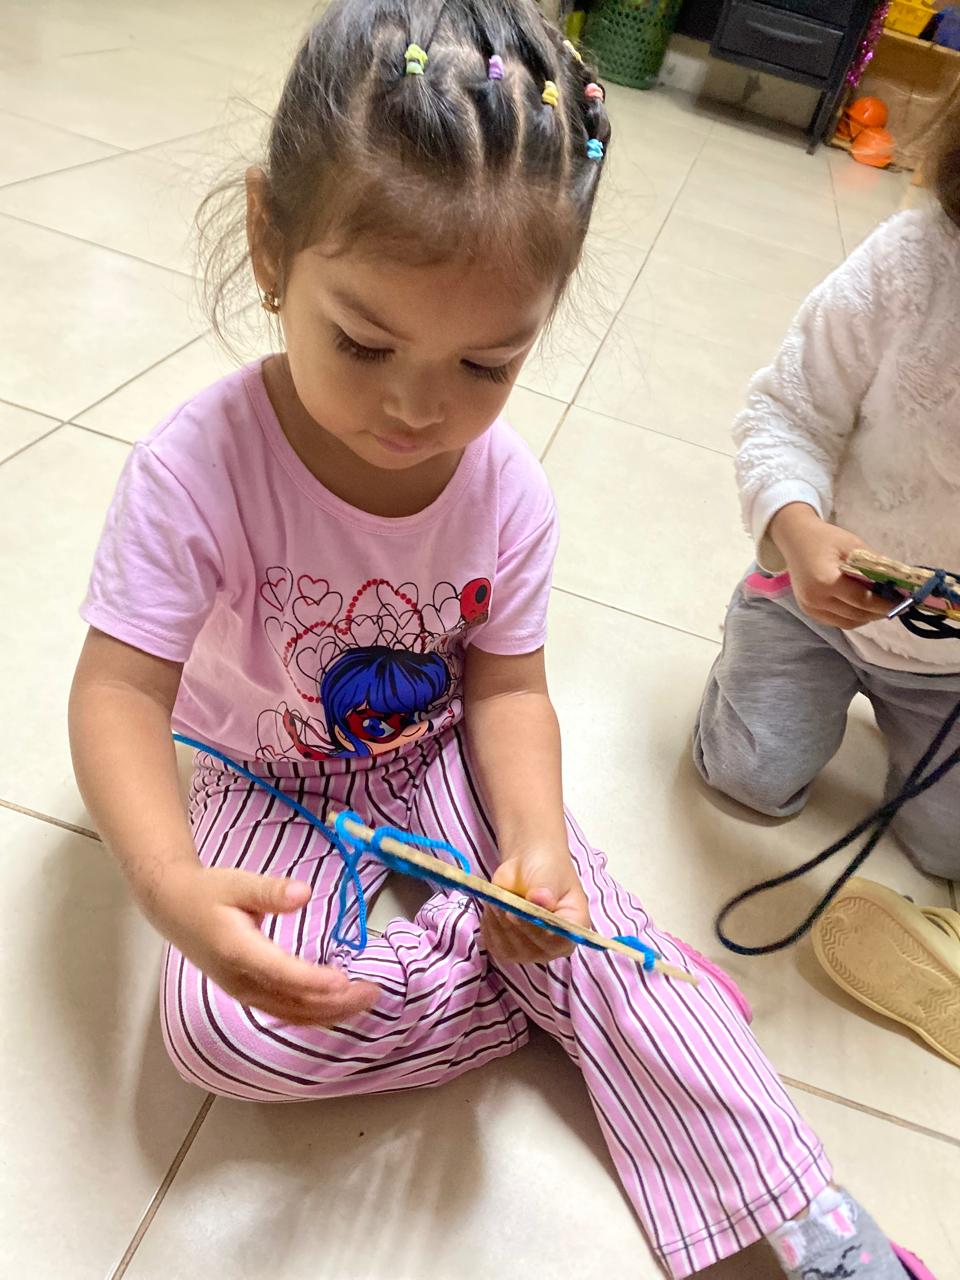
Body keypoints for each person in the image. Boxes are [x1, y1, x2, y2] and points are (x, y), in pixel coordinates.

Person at [69, 3, 933, 1276]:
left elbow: (508, 690)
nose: (417, 406)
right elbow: (118, 693)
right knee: (222, 1032)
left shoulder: (508, 493)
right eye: (364, 341)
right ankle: (594, 997)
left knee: (573, 915)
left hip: (436, 757)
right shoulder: (194, 469)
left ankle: (811, 1224)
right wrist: (166, 882)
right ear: (268, 241)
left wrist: (533, 844)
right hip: (262, 773)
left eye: (487, 365)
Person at [693, 107, 960, 1072]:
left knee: (948, 852)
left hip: (947, 668)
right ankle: (755, 631)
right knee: (752, 777)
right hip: (813, 604)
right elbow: (784, 414)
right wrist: (799, 536)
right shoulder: (911, 264)